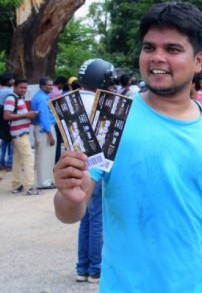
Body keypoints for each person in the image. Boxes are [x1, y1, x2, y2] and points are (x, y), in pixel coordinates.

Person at [52, 2, 202, 292]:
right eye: (149, 48)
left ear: (198, 60)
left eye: (173, 49)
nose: (157, 58)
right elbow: (70, 212)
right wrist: (69, 196)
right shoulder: (109, 119)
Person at [70, 58, 117, 283]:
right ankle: (96, 268)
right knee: (97, 218)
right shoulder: (103, 103)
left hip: (75, 167)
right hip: (96, 168)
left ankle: (82, 268)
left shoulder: (70, 100)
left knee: (85, 218)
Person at [4, 79, 41, 195]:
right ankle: (29, 187)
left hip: (20, 133)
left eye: (25, 88)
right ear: (14, 87)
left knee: (18, 160)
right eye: (21, 87)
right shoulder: (11, 98)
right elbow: (7, 116)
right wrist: (27, 115)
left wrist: (29, 116)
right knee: (29, 158)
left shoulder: (18, 99)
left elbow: (17, 115)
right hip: (19, 133)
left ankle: (17, 185)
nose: (24, 90)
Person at [31, 77, 56, 189]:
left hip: (42, 128)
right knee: (45, 156)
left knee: (46, 156)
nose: (50, 87)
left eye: (51, 85)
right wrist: (49, 134)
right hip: (45, 129)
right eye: (48, 85)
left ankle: (47, 180)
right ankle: (44, 182)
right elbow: (44, 116)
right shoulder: (42, 98)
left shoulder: (41, 96)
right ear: (41, 85)